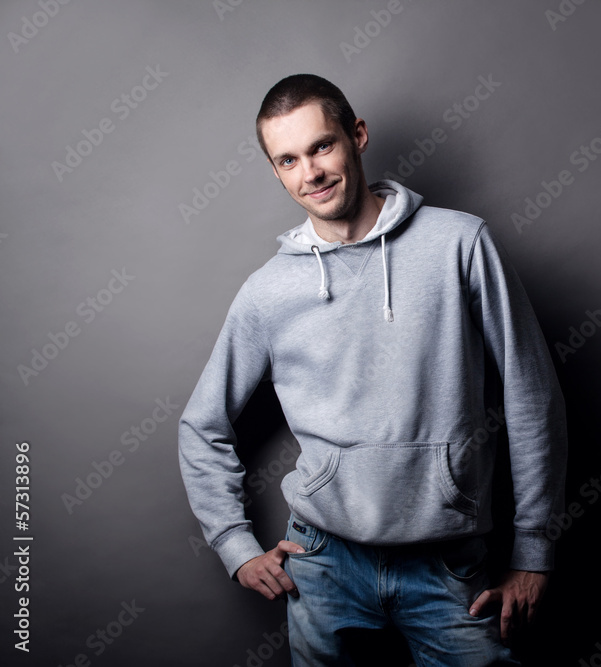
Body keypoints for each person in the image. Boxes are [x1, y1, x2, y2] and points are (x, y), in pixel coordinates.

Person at [178, 73, 568, 666]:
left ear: (356, 136)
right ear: (277, 172)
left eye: (321, 147)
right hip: (322, 562)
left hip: (447, 563)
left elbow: (531, 396)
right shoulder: (268, 292)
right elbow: (201, 426)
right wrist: (235, 544)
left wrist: (533, 550)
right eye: (287, 160)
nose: (309, 172)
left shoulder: (460, 244)